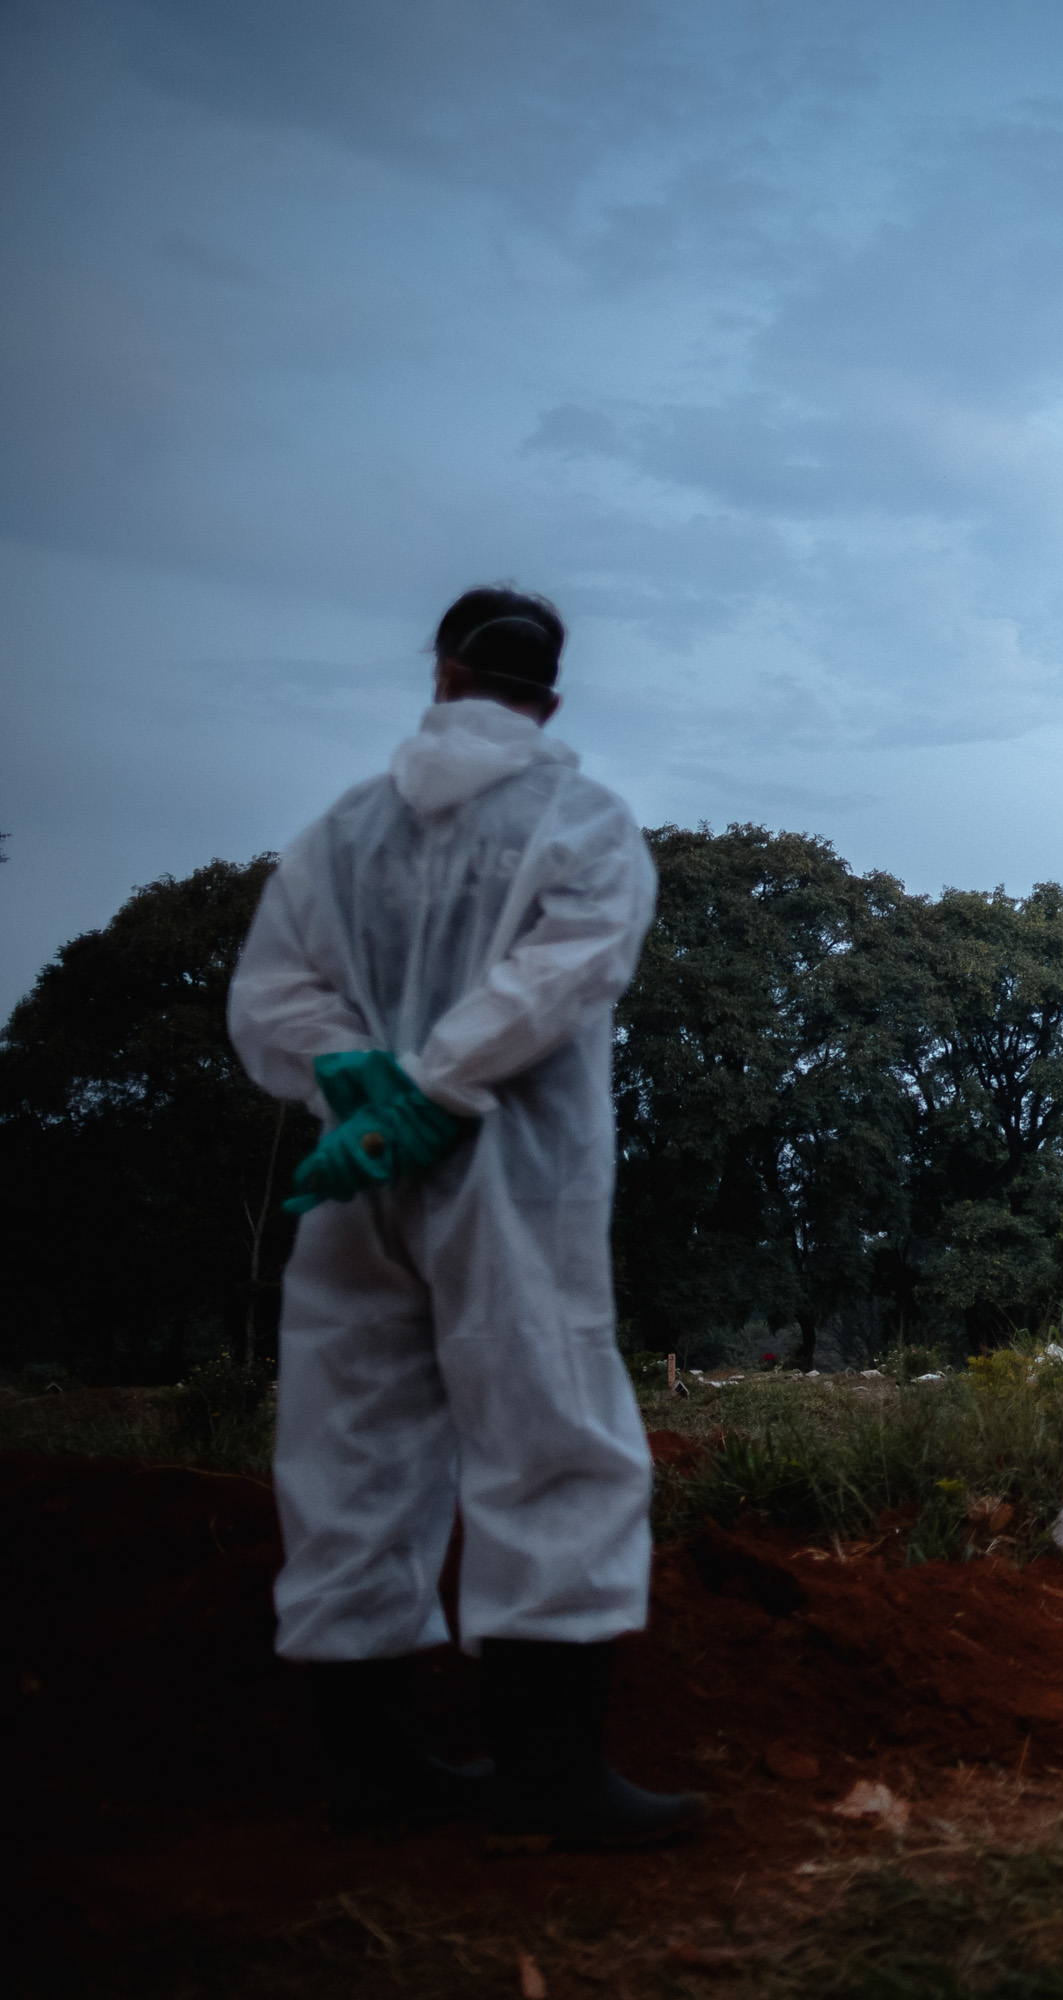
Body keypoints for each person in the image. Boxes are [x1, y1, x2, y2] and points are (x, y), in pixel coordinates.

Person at [228, 587, 697, 1852]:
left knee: (350, 1448)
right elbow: (567, 971)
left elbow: (272, 987)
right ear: (551, 697)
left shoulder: (343, 832)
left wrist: (351, 1076)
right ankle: (553, 1775)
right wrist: (438, 1089)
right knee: (547, 1434)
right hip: (513, 1179)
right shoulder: (581, 819)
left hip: (356, 1183)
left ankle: (375, 1768)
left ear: (439, 673)